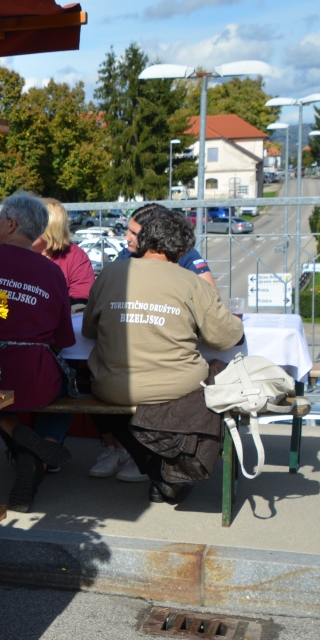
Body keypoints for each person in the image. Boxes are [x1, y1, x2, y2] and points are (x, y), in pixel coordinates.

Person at [82, 207, 243, 504]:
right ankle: (175, 469)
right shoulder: (190, 281)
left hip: (110, 387)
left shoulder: (110, 274)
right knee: (218, 373)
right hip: (173, 388)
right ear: (180, 248)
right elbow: (227, 337)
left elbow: (89, 331)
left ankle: (158, 469)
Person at [0, 192, 76, 512]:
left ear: (10, 224)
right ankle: (41, 450)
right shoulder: (52, 273)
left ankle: (20, 440)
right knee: (70, 387)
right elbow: (64, 338)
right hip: (35, 377)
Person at [33, 197, 94, 305]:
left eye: (31, 226)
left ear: (49, 231)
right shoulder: (19, 252)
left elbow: (80, 303)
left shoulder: (76, 257)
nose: (23, 230)